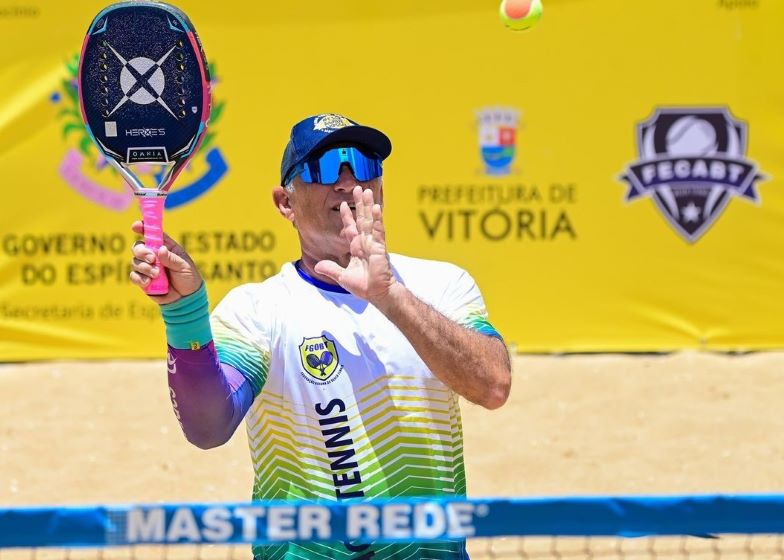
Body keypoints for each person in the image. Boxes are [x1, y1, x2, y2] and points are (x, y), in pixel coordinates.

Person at [129, 113, 512, 559]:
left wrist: (390, 298)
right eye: (326, 168)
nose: (348, 182)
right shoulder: (257, 309)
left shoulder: (442, 285)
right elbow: (207, 428)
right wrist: (184, 314)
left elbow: (493, 386)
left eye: (363, 165)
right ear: (285, 203)